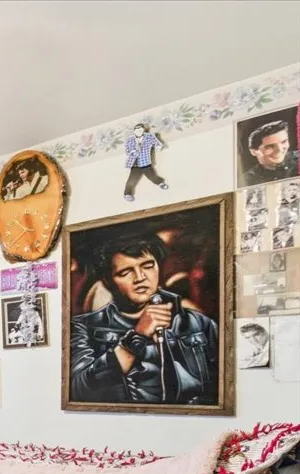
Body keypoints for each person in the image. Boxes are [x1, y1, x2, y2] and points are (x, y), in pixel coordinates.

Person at [69, 233, 219, 405]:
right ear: (107, 281)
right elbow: (80, 391)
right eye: (125, 272)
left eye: (148, 266)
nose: (140, 277)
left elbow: (219, 385)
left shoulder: (196, 322)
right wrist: (135, 339)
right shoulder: (85, 327)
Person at [241, 120, 299, 187]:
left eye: (284, 142)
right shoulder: (247, 180)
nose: (280, 150)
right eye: (270, 146)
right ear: (253, 152)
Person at [123, 124, 168, 201]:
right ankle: (128, 193)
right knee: (132, 179)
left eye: (141, 130)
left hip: (145, 162)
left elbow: (156, 143)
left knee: (151, 175)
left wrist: (158, 140)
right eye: (137, 131)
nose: (139, 132)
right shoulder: (131, 140)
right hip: (135, 164)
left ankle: (160, 183)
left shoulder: (148, 138)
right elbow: (128, 150)